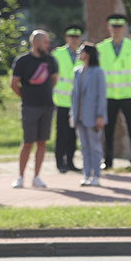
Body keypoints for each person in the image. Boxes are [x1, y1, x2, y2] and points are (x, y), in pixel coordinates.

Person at [10, 29, 58, 188]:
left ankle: (37, 176)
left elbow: (54, 80)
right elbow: (14, 84)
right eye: (45, 42)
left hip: (47, 106)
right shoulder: (22, 61)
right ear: (36, 42)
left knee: (42, 142)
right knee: (28, 142)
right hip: (29, 107)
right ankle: (20, 176)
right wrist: (25, 96)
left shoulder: (51, 60)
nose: (48, 45)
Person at [96, 14, 131, 170]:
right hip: (109, 95)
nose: (117, 30)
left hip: (127, 93)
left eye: (120, 27)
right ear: (109, 28)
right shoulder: (101, 48)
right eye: (114, 27)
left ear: (124, 28)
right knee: (108, 130)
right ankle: (107, 160)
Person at [70, 43, 107, 186]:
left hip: (92, 115)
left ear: (89, 54)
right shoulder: (77, 71)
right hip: (79, 115)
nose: (79, 53)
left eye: (82, 51)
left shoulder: (98, 72)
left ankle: (96, 175)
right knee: (84, 146)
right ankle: (86, 174)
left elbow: (101, 95)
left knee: (94, 146)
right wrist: (72, 114)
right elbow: (74, 95)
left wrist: (100, 115)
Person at [51, 24, 83, 173]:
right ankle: (60, 162)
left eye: (77, 37)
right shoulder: (58, 54)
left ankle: (70, 161)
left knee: (72, 135)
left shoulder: (82, 55)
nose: (74, 40)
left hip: (77, 102)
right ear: (66, 38)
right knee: (61, 133)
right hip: (61, 100)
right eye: (72, 37)